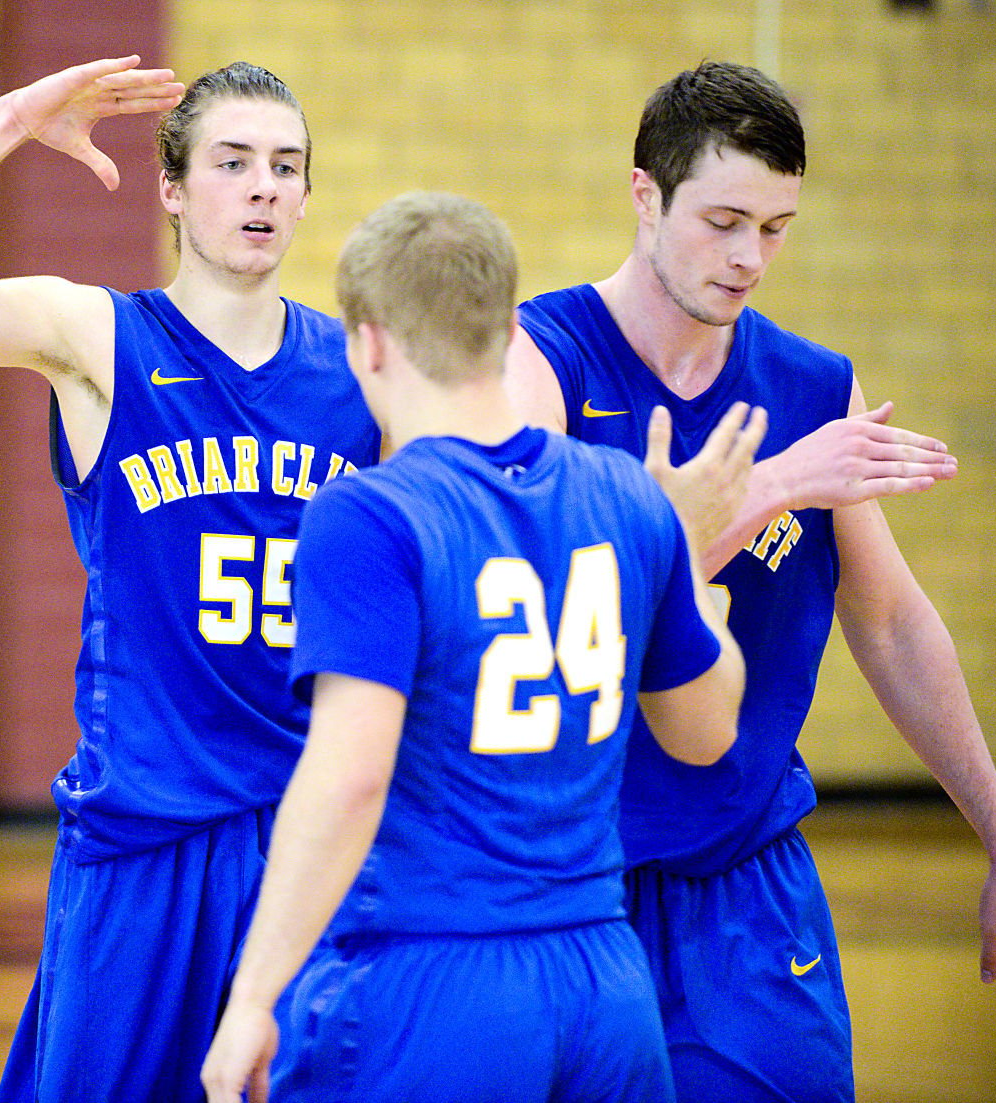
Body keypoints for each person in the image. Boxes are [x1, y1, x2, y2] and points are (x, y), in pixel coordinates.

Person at [0, 57, 381, 1102]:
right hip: (143, 837)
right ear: (171, 188)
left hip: (308, 840)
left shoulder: (364, 372)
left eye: (286, 166)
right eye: (233, 162)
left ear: (306, 194)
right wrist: (6, 124)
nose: (263, 186)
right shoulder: (101, 340)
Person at [506, 61, 996, 1101]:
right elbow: (572, 598)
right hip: (569, 880)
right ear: (645, 195)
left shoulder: (814, 386)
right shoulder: (540, 359)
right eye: (725, 220)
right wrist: (780, 482)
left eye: (777, 227)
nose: (750, 257)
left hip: (748, 885)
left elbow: (891, 624)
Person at [201, 191, 762, 1103]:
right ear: (507, 329)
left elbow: (348, 776)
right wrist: (690, 560)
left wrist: (254, 995)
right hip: (605, 983)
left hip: (433, 981)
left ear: (368, 343)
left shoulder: (372, 512)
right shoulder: (628, 498)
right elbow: (706, 732)